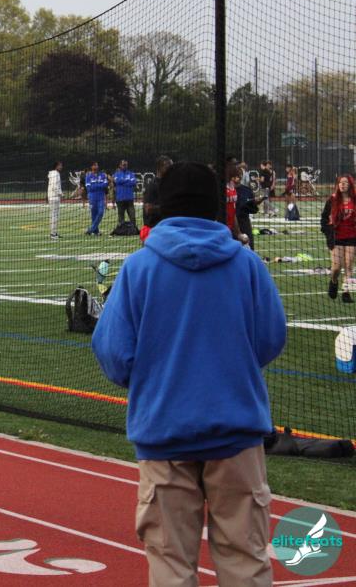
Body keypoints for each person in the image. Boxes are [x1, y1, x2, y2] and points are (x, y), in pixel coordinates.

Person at [92, 162, 285, 587]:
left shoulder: (139, 268)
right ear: (215, 205)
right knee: (246, 561)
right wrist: (232, 367)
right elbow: (271, 338)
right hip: (236, 432)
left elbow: (113, 353)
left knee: (170, 564)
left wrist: (153, 380)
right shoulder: (247, 265)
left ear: (162, 206)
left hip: (164, 433)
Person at [323, 174, 356, 302]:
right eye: (340, 182)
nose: (342, 184)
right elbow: (324, 218)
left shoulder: (354, 199)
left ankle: (346, 293)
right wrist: (327, 231)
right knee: (336, 267)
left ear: (350, 185)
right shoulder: (332, 200)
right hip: (336, 237)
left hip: (352, 237)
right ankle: (334, 281)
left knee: (348, 265)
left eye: (345, 182)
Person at [233, 171, 264, 251]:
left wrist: (257, 201)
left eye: (239, 174)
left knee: (249, 248)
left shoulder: (247, 190)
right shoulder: (226, 190)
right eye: (235, 175)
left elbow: (252, 208)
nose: (238, 177)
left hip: (244, 222)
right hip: (230, 223)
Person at [141, 156, 172, 232]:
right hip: (153, 228)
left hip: (164, 226)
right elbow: (148, 209)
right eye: (168, 167)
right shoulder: (152, 185)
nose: (171, 170)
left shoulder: (169, 183)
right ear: (160, 168)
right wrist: (169, 208)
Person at [84, 162, 109, 235]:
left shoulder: (103, 175)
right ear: (91, 167)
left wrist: (95, 186)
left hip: (101, 197)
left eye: (97, 165)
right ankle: (96, 231)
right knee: (93, 215)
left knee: (101, 212)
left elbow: (105, 185)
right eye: (94, 165)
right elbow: (89, 188)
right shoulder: (88, 176)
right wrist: (99, 186)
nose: (96, 166)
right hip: (92, 197)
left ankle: (90, 229)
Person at [112, 160, 137, 228]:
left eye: (126, 165)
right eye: (123, 165)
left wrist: (122, 182)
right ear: (120, 165)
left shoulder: (131, 173)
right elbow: (117, 181)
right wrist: (127, 180)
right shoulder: (116, 174)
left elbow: (133, 182)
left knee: (133, 218)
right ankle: (122, 231)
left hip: (129, 199)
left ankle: (133, 230)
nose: (125, 166)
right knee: (121, 219)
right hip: (120, 199)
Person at [47, 161, 63, 239]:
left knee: (55, 216)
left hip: (53, 197)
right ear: (56, 166)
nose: (61, 167)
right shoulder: (55, 174)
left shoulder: (54, 173)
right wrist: (61, 193)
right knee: (54, 216)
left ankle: (54, 232)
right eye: (60, 165)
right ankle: (53, 234)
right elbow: (54, 186)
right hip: (54, 197)